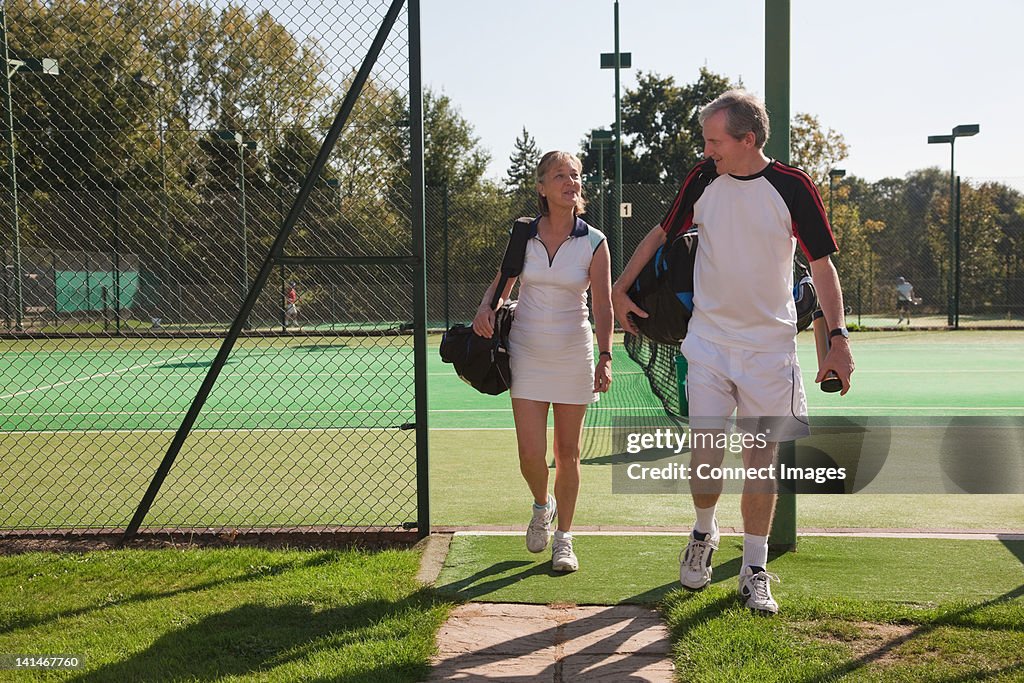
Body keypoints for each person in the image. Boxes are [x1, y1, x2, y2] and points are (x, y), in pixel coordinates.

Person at [611, 90, 855, 614]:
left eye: (715, 140)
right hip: (708, 344)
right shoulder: (703, 178)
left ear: (748, 139)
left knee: (760, 462)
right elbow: (660, 233)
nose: (707, 149)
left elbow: (823, 268)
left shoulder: (792, 188)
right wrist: (619, 287)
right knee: (706, 456)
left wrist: (838, 340)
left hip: (769, 352)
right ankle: (704, 532)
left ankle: (754, 568)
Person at [473, 150, 613, 572]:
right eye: (560, 176)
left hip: (574, 353)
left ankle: (565, 539)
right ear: (541, 187)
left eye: (575, 176)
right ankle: (541, 505)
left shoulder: (595, 241)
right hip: (527, 354)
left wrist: (605, 357)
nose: (570, 182)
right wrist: (485, 308)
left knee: (567, 453)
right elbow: (503, 282)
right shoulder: (523, 235)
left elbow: (604, 307)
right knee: (530, 455)